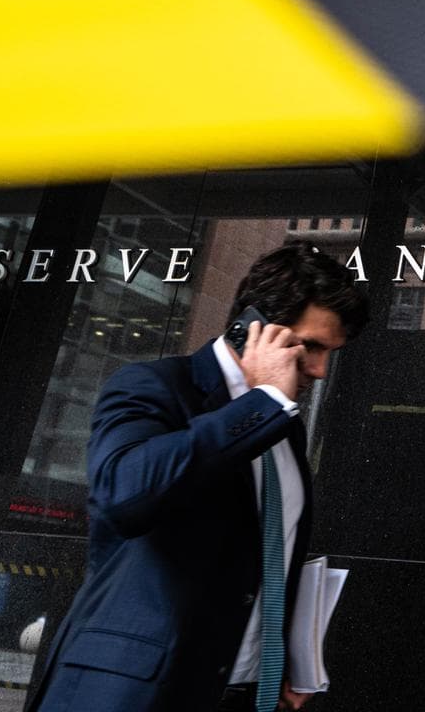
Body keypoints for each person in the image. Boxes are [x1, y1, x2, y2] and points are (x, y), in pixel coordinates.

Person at [26, 242, 369, 712]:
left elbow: (262, 558)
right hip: (136, 692)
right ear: (251, 326)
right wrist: (263, 402)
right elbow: (125, 496)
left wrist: (283, 658)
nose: (320, 369)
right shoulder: (155, 386)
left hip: (244, 694)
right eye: (310, 346)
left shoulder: (283, 426)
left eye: (330, 353)